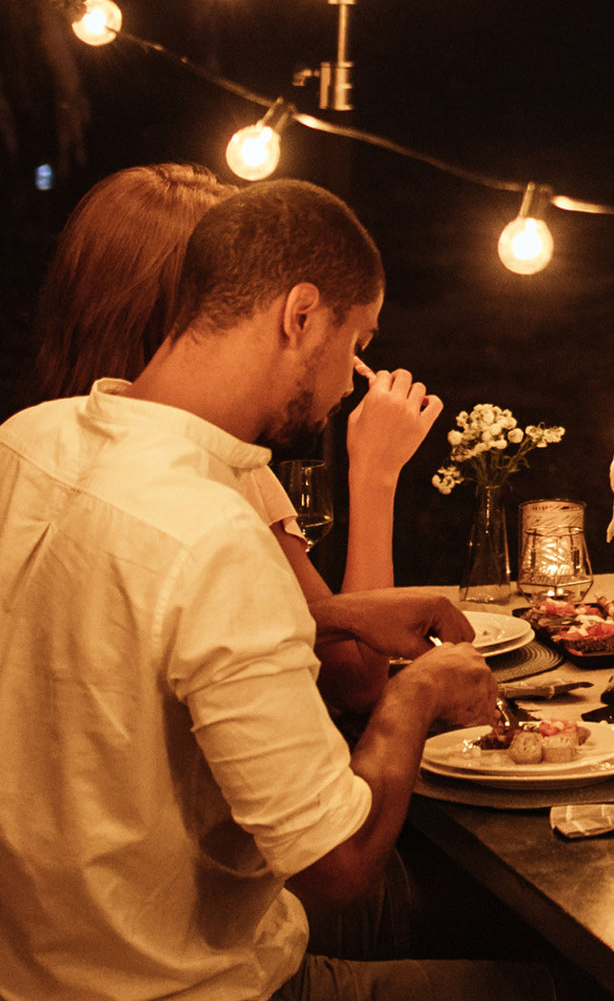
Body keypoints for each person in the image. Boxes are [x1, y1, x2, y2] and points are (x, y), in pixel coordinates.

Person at [0, 179, 554, 1001]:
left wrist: (332, 613)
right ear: (300, 315)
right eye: (356, 344)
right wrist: (418, 698)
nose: (349, 382)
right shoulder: (212, 531)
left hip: (38, 994)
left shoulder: (31, 440)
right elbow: (333, 866)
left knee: (501, 922)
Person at [27, 163, 450, 712]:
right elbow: (352, 680)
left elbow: (141, 636)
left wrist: (337, 615)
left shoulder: (38, 437)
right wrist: (375, 473)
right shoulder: (216, 484)